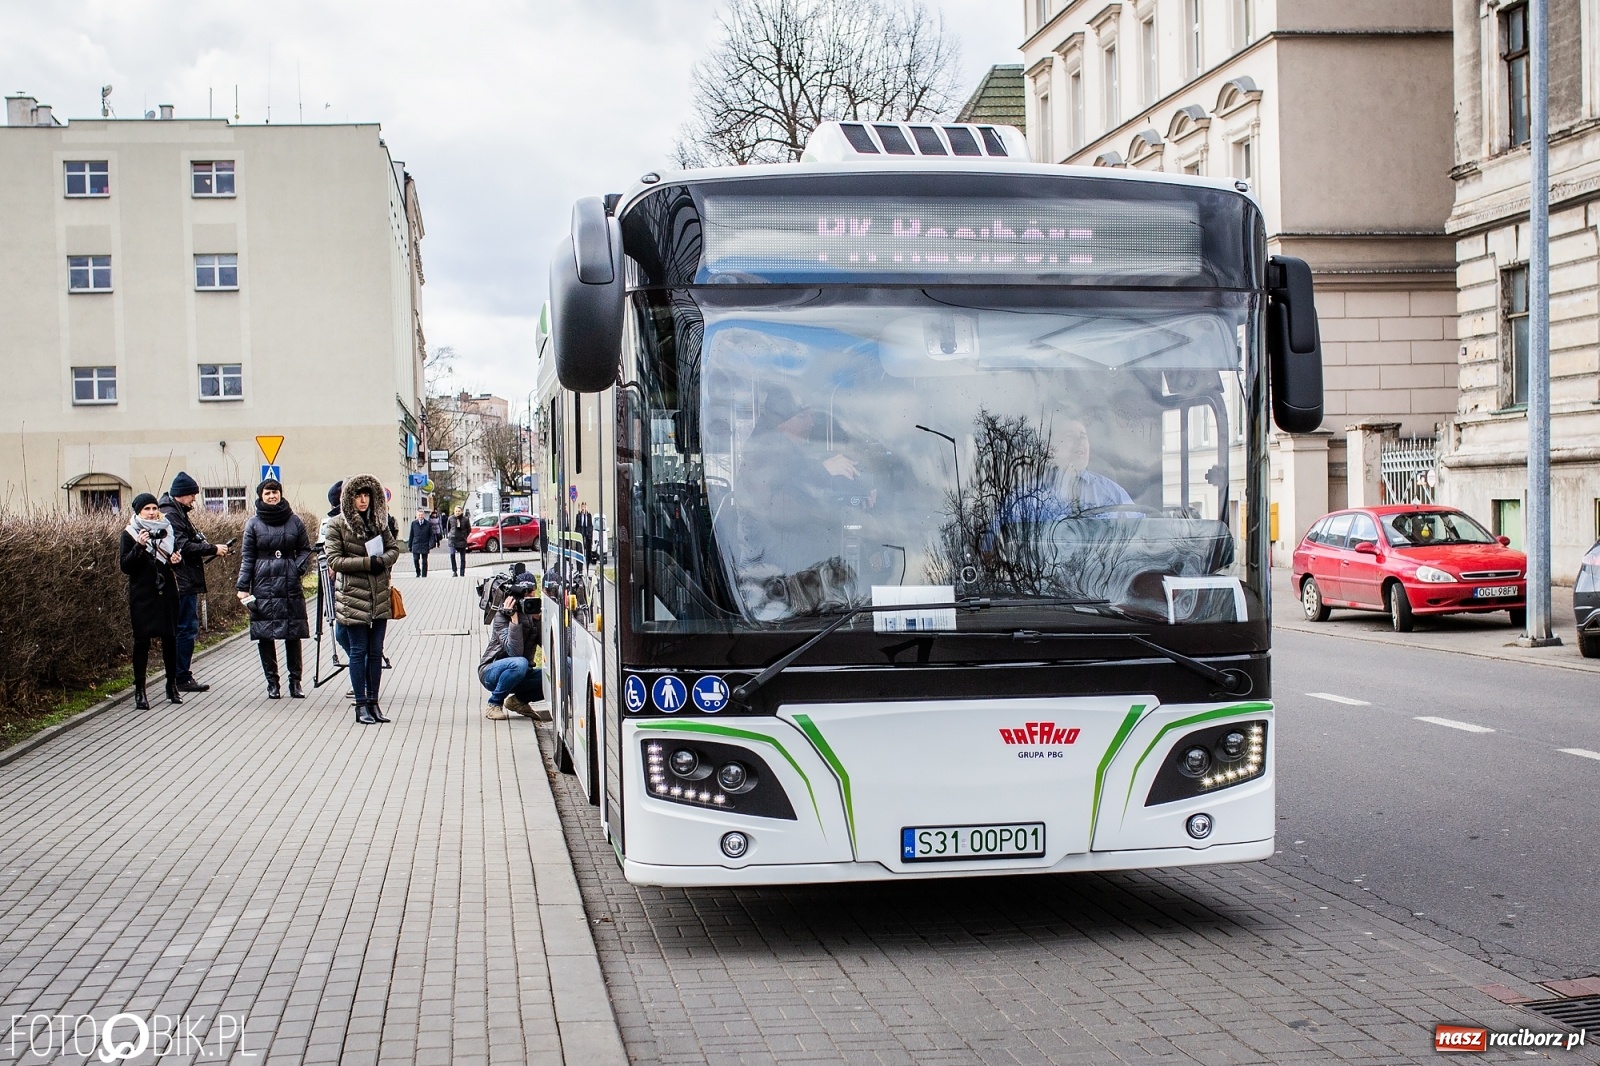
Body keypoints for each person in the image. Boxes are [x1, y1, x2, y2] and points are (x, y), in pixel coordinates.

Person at [323, 474, 401, 725]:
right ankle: (360, 705)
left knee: (375, 651)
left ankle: (374, 702)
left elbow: (394, 549)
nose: (363, 500)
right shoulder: (337, 525)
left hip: (378, 595)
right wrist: (369, 563)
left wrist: (383, 561)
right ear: (349, 499)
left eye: (367, 495)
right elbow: (334, 560)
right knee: (358, 651)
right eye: (358, 496)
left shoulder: (379, 521)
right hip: (352, 596)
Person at [236, 477, 312, 699]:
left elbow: (305, 549)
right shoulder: (254, 523)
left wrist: (297, 568)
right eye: (267, 493)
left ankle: (295, 682)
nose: (272, 496)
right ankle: (272, 683)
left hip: (289, 584)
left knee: (292, 634)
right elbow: (247, 557)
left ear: (280, 493)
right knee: (265, 635)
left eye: (275, 492)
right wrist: (243, 586)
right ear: (261, 496)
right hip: (262, 584)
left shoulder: (294, 521)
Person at [159, 471, 229, 692]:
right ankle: (181, 676)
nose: (194, 501)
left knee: (184, 627)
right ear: (182, 494)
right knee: (185, 628)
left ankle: (180, 674)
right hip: (182, 582)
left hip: (184, 580)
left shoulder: (175, 512)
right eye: (192, 496)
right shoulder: (171, 515)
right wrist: (212, 549)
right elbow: (183, 546)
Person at [120, 493, 185, 709]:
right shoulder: (130, 534)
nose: (151, 512)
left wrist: (176, 561)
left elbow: (172, 563)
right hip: (142, 595)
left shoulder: (166, 530)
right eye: (146, 509)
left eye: (154, 508)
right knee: (141, 642)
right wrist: (139, 546)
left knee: (170, 639)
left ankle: (172, 686)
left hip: (166, 592)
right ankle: (140, 690)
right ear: (138, 511)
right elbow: (125, 566)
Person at [478, 581, 544, 721]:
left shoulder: (533, 614)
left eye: (533, 591)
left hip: (522, 674)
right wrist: (514, 619)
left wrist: (538, 621)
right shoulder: (501, 617)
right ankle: (494, 704)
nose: (531, 596)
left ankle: (518, 701)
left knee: (566, 669)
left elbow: (549, 646)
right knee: (520, 662)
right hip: (492, 672)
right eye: (527, 593)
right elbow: (515, 652)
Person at [408, 508, 434, 577]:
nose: (420, 516)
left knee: (424, 561)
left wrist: (431, 544)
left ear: (424, 515)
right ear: (417, 515)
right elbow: (411, 535)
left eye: (421, 515)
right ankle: (418, 572)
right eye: (419, 515)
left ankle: (424, 574)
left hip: (425, 544)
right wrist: (409, 546)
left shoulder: (428, 524)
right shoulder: (414, 523)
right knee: (416, 559)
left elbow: (431, 535)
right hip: (416, 544)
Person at [447, 506, 471, 576]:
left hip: (462, 540)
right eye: (456, 511)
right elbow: (448, 528)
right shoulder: (450, 518)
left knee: (462, 558)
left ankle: (462, 572)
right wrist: (451, 535)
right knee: (452, 554)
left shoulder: (465, 519)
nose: (457, 512)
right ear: (454, 511)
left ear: (461, 512)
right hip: (453, 539)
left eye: (459, 511)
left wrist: (465, 536)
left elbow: (469, 529)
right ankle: (454, 571)